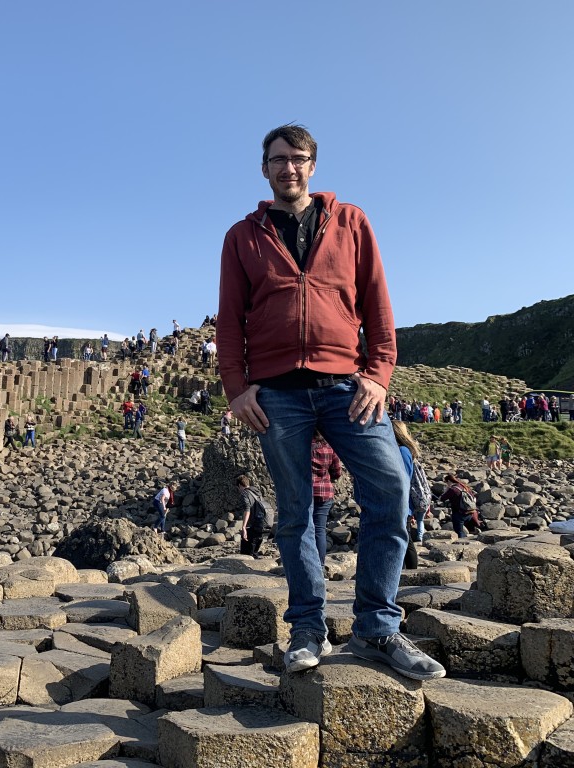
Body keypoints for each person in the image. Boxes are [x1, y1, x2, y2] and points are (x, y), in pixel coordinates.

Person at [216, 124, 444, 680]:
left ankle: (378, 627)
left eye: (297, 159)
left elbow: (378, 306)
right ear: (263, 169)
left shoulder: (352, 222)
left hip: (347, 386)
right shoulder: (242, 236)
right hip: (278, 396)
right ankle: (307, 629)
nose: (287, 168)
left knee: (390, 490)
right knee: (295, 513)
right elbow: (229, 319)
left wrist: (379, 376)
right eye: (277, 160)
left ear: (312, 166)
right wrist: (237, 388)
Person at [392, 420, 430, 566]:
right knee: (405, 538)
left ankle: (411, 572)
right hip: (404, 503)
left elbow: (403, 479)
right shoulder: (405, 450)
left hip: (402, 503)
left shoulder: (402, 451)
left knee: (406, 539)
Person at [310, 431, 342, 566]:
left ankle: (303, 565)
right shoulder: (329, 446)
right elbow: (337, 471)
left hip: (304, 491)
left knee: (303, 528)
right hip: (324, 492)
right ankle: (320, 566)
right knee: (319, 529)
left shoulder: (302, 444)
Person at [238, 474, 272, 558]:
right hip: (264, 522)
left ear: (239, 485)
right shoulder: (256, 491)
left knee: (246, 554)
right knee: (254, 552)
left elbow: (247, 510)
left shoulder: (244, 494)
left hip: (254, 525)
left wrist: (244, 527)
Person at [440, 473, 481, 538]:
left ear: (449, 481)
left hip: (459, 513)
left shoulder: (453, 489)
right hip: (470, 511)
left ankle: (462, 544)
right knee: (469, 530)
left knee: (459, 532)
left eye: (446, 482)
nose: (446, 484)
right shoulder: (464, 486)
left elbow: (442, 498)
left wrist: (447, 489)